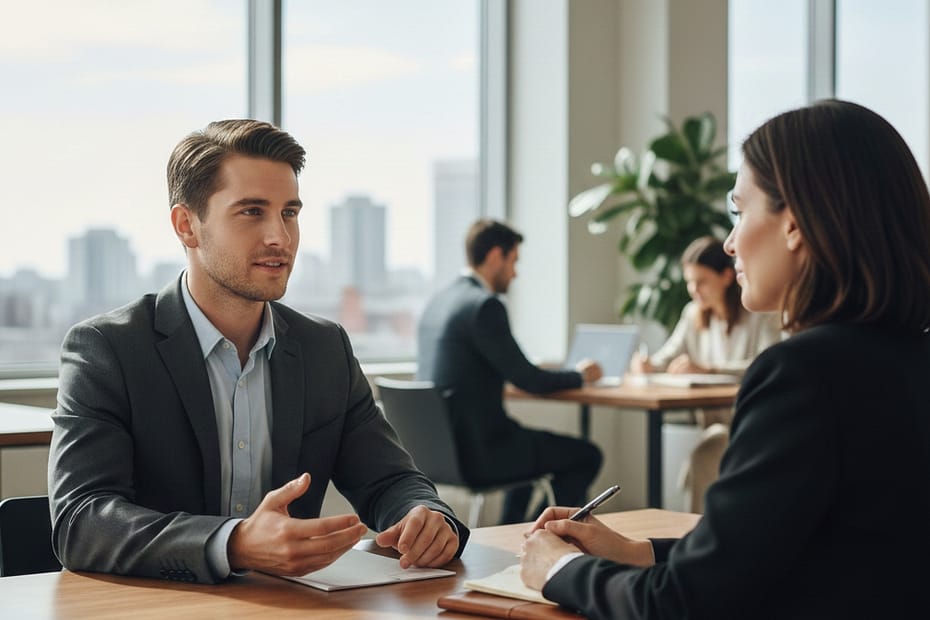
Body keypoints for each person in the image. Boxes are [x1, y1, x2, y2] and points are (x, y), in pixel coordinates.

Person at [519, 100, 930, 618]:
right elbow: (817, 557)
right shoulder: (906, 359)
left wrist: (558, 568)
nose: (730, 244)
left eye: (739, 212)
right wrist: (635, 551)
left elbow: (684, 605)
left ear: (794, 224)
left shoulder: (804, 374)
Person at [48, 119, 468, 584]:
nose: (280, 237)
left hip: (287, 606)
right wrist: (234, 543)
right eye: (252, 211)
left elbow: (389, 479)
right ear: (187, 226)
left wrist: (425, 516)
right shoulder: (107, 349)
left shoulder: (324, 348)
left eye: (289, 213)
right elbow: (82, 521)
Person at [417, 219, 603, 525]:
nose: (515, 273)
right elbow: (529, 379)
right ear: (495, 256)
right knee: (587, 456)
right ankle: (542, 532)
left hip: (438, 452)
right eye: (513, 261)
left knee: (526, 465)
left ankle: (515, 532)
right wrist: (580, 375)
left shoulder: (439, 302)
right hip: (480, 453)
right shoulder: (484, 306)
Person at [631, 235, 783, 512]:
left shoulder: (759, 314)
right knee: (708, 447)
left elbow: (768, 363)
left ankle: (697, 530)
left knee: (707, 450)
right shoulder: (694, 314)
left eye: (701, 281)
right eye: (689, 282)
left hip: (750, 424)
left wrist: (709, 369)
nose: (694, 290)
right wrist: (648, 364)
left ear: (726, 276)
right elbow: (668, 357)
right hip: (715, 424)